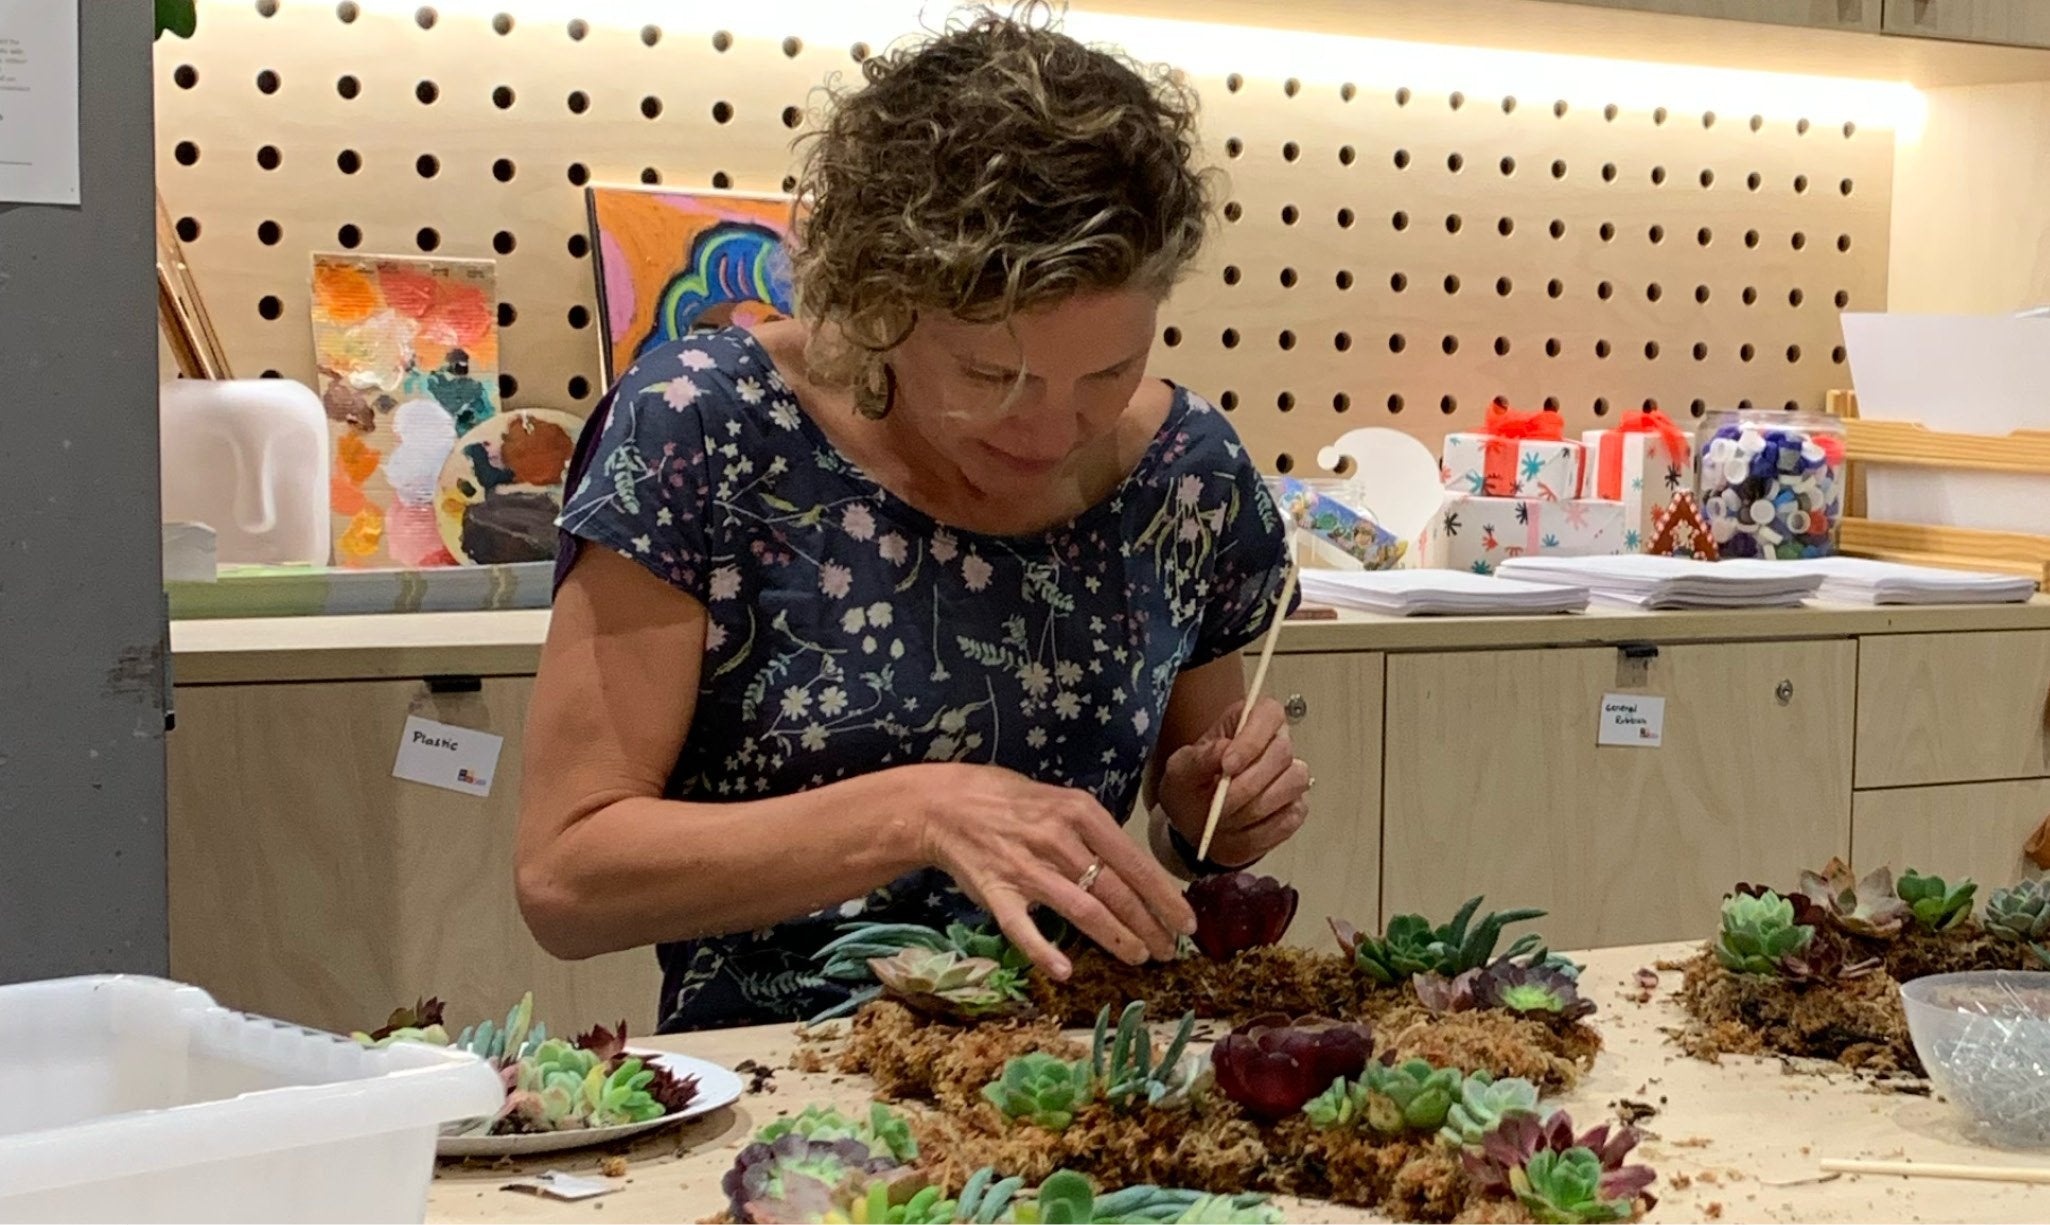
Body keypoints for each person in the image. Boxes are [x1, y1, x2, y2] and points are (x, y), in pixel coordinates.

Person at [515, 7, 1311, 1031]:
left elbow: (1185, 832)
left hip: (1096, 1082)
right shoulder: (703, 430)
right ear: (875, 303)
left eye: (1109, 370)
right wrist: (916, 811)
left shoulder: (1182, 477)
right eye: (991, 374)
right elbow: (567, 876)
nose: (1054, 427)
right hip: (791, 1112)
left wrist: (1222, 816)